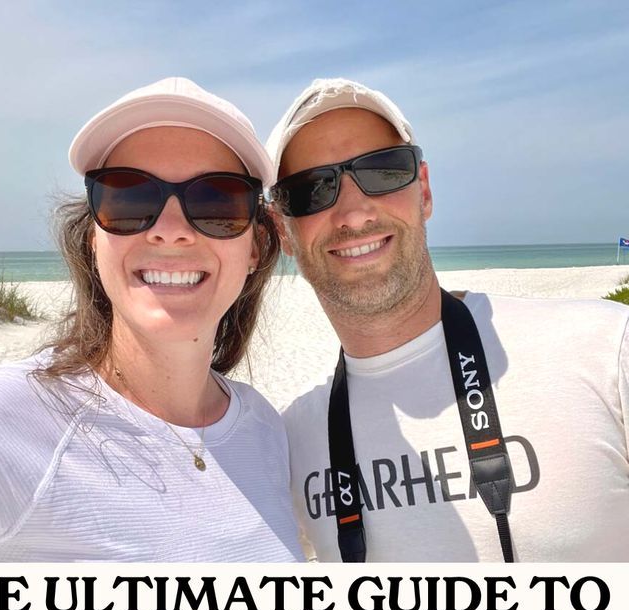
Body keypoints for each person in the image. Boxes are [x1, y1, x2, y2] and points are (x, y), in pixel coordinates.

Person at [0, 78, 303, 561]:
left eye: (217, 202)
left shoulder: (266, 430)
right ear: (93, 238)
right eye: (130, 198)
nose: (171, 232)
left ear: (255, 247)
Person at [267, 78, 629, 562]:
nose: (353, 213)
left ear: (424, 190)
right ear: (283, 232)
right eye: (311, 190)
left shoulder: (604, 349)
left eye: (383, 170)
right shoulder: (292, 438)